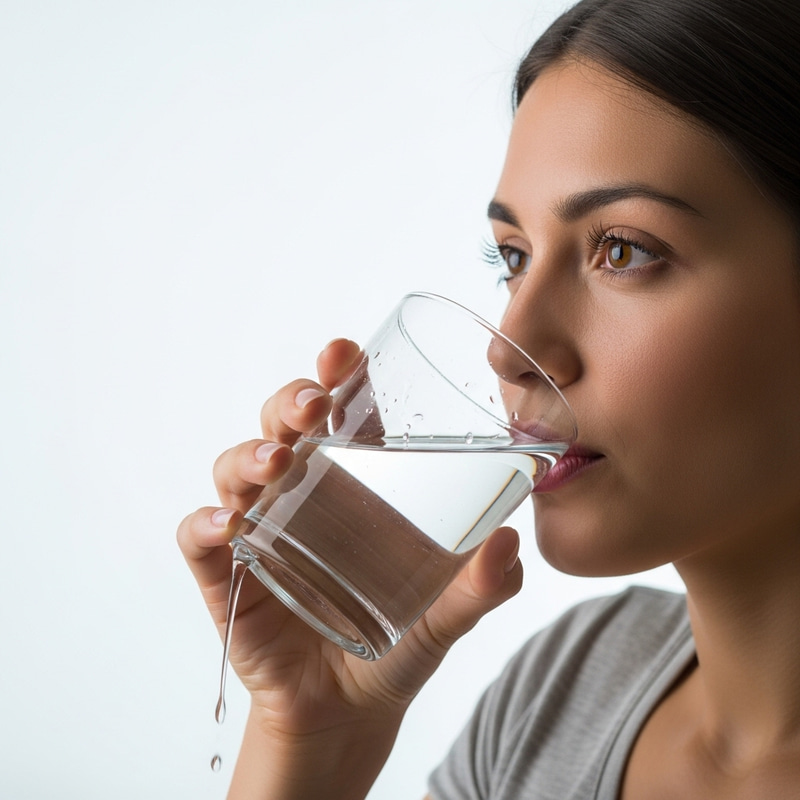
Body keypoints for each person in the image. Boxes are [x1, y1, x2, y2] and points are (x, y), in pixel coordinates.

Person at [177, 0, 800, 796]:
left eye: (623, 251)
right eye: (514, 256)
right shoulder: (557, 698)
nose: (509, 348)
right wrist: (308, 741)